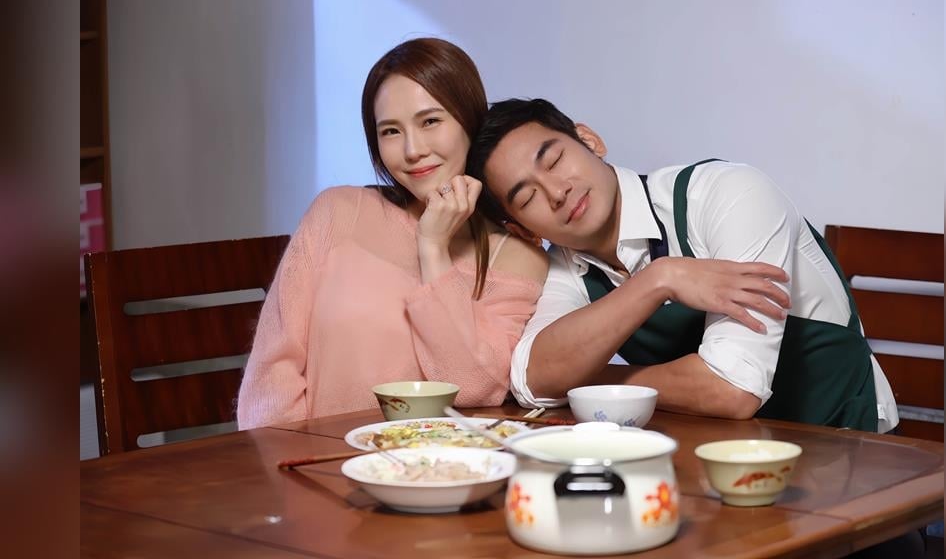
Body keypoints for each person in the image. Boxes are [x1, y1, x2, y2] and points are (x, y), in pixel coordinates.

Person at [466, 98, 898, 433]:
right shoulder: (566, 268)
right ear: (521, 228)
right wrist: (659, 279)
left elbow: (734, 389)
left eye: (554, 160)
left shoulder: (726, 194)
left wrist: (590, 382)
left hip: (849, 450)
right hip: (720, 464)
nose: (556, 191)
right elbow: (531, 382)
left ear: (590, 140)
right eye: (527, 197)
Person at [236, 39, 548, 429]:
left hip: (441, 462)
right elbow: (272, 374)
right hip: (317, 458)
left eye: (430, 121)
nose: (412, 150)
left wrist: (433, 248)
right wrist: (292, 458)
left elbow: (474, 388)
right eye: (390, 131)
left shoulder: (518, 257)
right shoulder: (338, 212)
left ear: (469, 121)